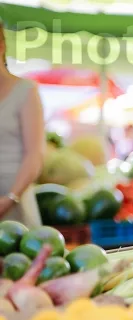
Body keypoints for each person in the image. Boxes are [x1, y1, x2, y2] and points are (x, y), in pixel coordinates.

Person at [0, 23, 45, 225]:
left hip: (16, 202)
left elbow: (34, 155)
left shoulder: (26, 91)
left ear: (1, 46)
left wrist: (10, 198)